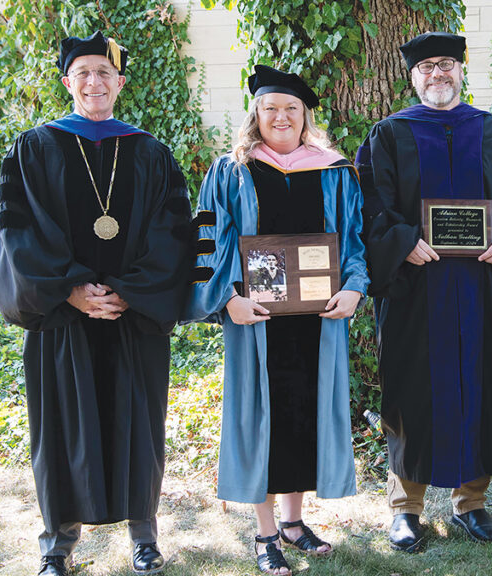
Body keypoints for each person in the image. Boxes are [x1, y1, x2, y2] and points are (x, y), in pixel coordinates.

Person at [0, 31, 192, 576]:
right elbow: (19, 232)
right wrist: (72, 291)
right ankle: (57, 543)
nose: (94, 82)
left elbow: (173, 232)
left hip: (133, 317)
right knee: (59, 429)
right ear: (67, 82)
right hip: (64, 318)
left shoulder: (151, 152)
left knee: (140, 427)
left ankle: (144, 538)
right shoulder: (33, 149)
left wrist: (129, 291)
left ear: (120, 82)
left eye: (104, 72)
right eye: (83, 72)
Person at [356, 31, 492, 552]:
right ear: (412, 76)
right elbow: (368, 205)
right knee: (411, 393)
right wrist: (401, 242)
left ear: (461, 70)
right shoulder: (388, 135)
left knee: (481, 386)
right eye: (426, 67)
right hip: (415, 288)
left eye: (446, 65)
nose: (437, 74)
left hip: (480, 287)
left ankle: (471, 503)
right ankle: (405, 508)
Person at [184, 65, 368, 575]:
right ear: (256, 114)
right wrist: (226, 300)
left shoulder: (334, 172)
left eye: (291, 108)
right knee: (259, 418)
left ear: (304, 115)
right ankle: (265, 533)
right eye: (271, 108)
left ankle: (292, 522)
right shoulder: (230, 171)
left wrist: (354, 287)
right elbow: (204, 245)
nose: (281, 116)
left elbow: (354, 240)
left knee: (301, 415)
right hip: (256, 321)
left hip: (317, 320)